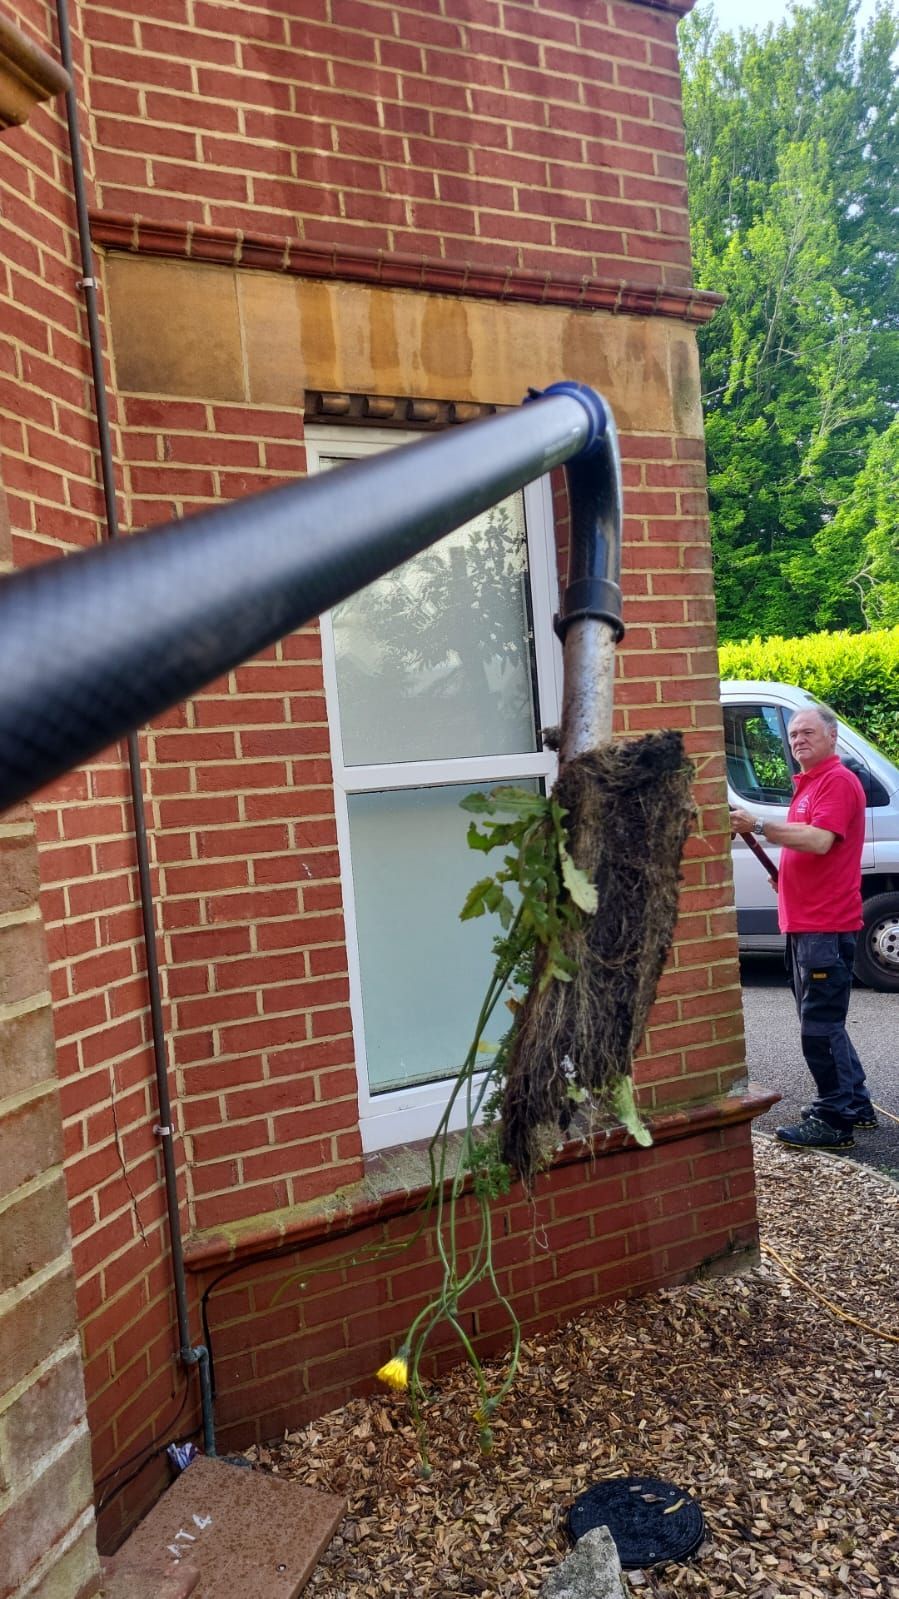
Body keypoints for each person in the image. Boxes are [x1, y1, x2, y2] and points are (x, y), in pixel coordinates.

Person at [730, 705, 877, 1150]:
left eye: (808, 732)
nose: (798, 741)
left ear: (832, 737)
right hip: (807, 923)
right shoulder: (810, 785)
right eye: (793, 735)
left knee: (818, 1025)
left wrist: (756, 823)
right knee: (825, 1021)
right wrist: (785, 876)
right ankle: (856, 1104)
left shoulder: (836, 782)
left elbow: (818, 840)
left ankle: (834, 1122)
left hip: (824, 928)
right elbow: (809, 846)